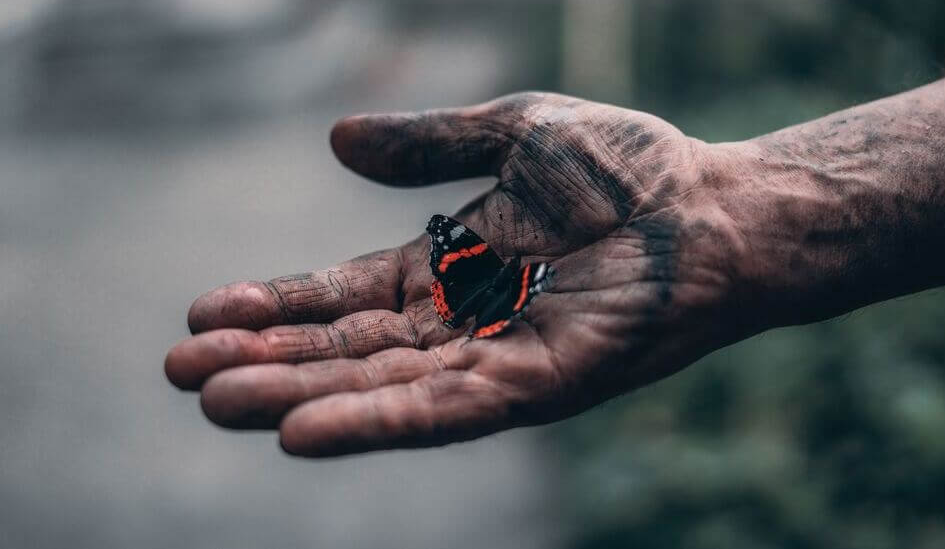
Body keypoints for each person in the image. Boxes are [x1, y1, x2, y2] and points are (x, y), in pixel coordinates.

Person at [164, 80, 945, 457]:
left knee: (479, 291)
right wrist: (721, 203)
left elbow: (476, 260)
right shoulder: (510, 275)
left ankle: (477, 302)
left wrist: (717, 207)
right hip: (500, 298)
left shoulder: (476, 263)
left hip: (486, 296)